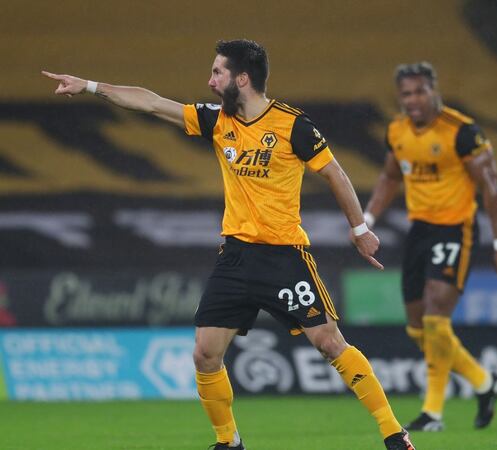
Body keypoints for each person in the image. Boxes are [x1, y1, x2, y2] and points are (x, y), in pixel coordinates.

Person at [43, 39, 415, 450]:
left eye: (217, 72)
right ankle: (228, 442)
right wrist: (92, 86)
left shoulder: (293, 126)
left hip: (284, 255)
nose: (209, 80)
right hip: (236, 257)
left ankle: (394, 433)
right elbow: (152, 103)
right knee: (204, 353)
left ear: (243, 78)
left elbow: (336, 175)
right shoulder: (217, 120)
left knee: (329, 343)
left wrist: (360, 230)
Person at [363, 62, 497, 432]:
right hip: (420, 231)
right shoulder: (396, 131)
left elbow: (492, 187)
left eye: (419, 92)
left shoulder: (462, 132)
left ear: (434, 91)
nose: (413, 100)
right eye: (405, 94)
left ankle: (432, 412)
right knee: (417, 328)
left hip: (455, 229)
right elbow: (388, 176)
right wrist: (365, 222)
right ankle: (484, 381)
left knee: (434, 317)